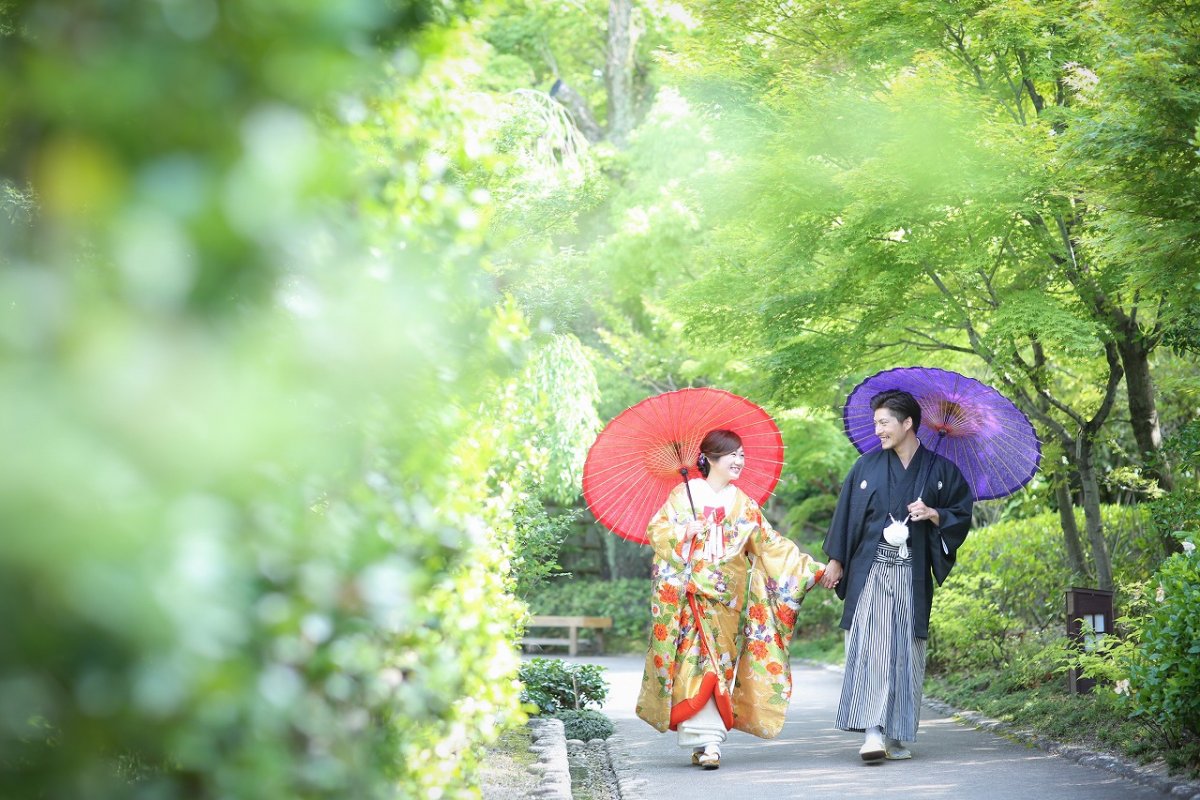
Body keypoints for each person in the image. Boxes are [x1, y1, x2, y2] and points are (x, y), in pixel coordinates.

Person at [636, 429, 825, 770]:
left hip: (726, 601)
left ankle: (705, 740)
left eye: (741, 454)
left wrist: (810, 569)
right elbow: (657, 531)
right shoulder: (683, 495)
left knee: (718, 665)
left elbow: (770, 545)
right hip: (689, 596)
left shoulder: (744, 504)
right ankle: (709, 743)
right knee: (696, 664)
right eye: (732, 455)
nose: (739, 461)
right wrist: (684, 533)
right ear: (710, 458)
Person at [819, 388, 973, 762]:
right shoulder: (865, 467)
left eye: (884, 423)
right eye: (875, 424)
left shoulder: (941, 471)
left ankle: (897, 732)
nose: (878, 431)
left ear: (907, 423)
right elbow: (846, 517)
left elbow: (961, 514)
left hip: (911, 572)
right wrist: (836, 560)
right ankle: (872, 732)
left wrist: (935, 514)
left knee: (906, 651)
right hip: (871, 570)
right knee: (870, 648)